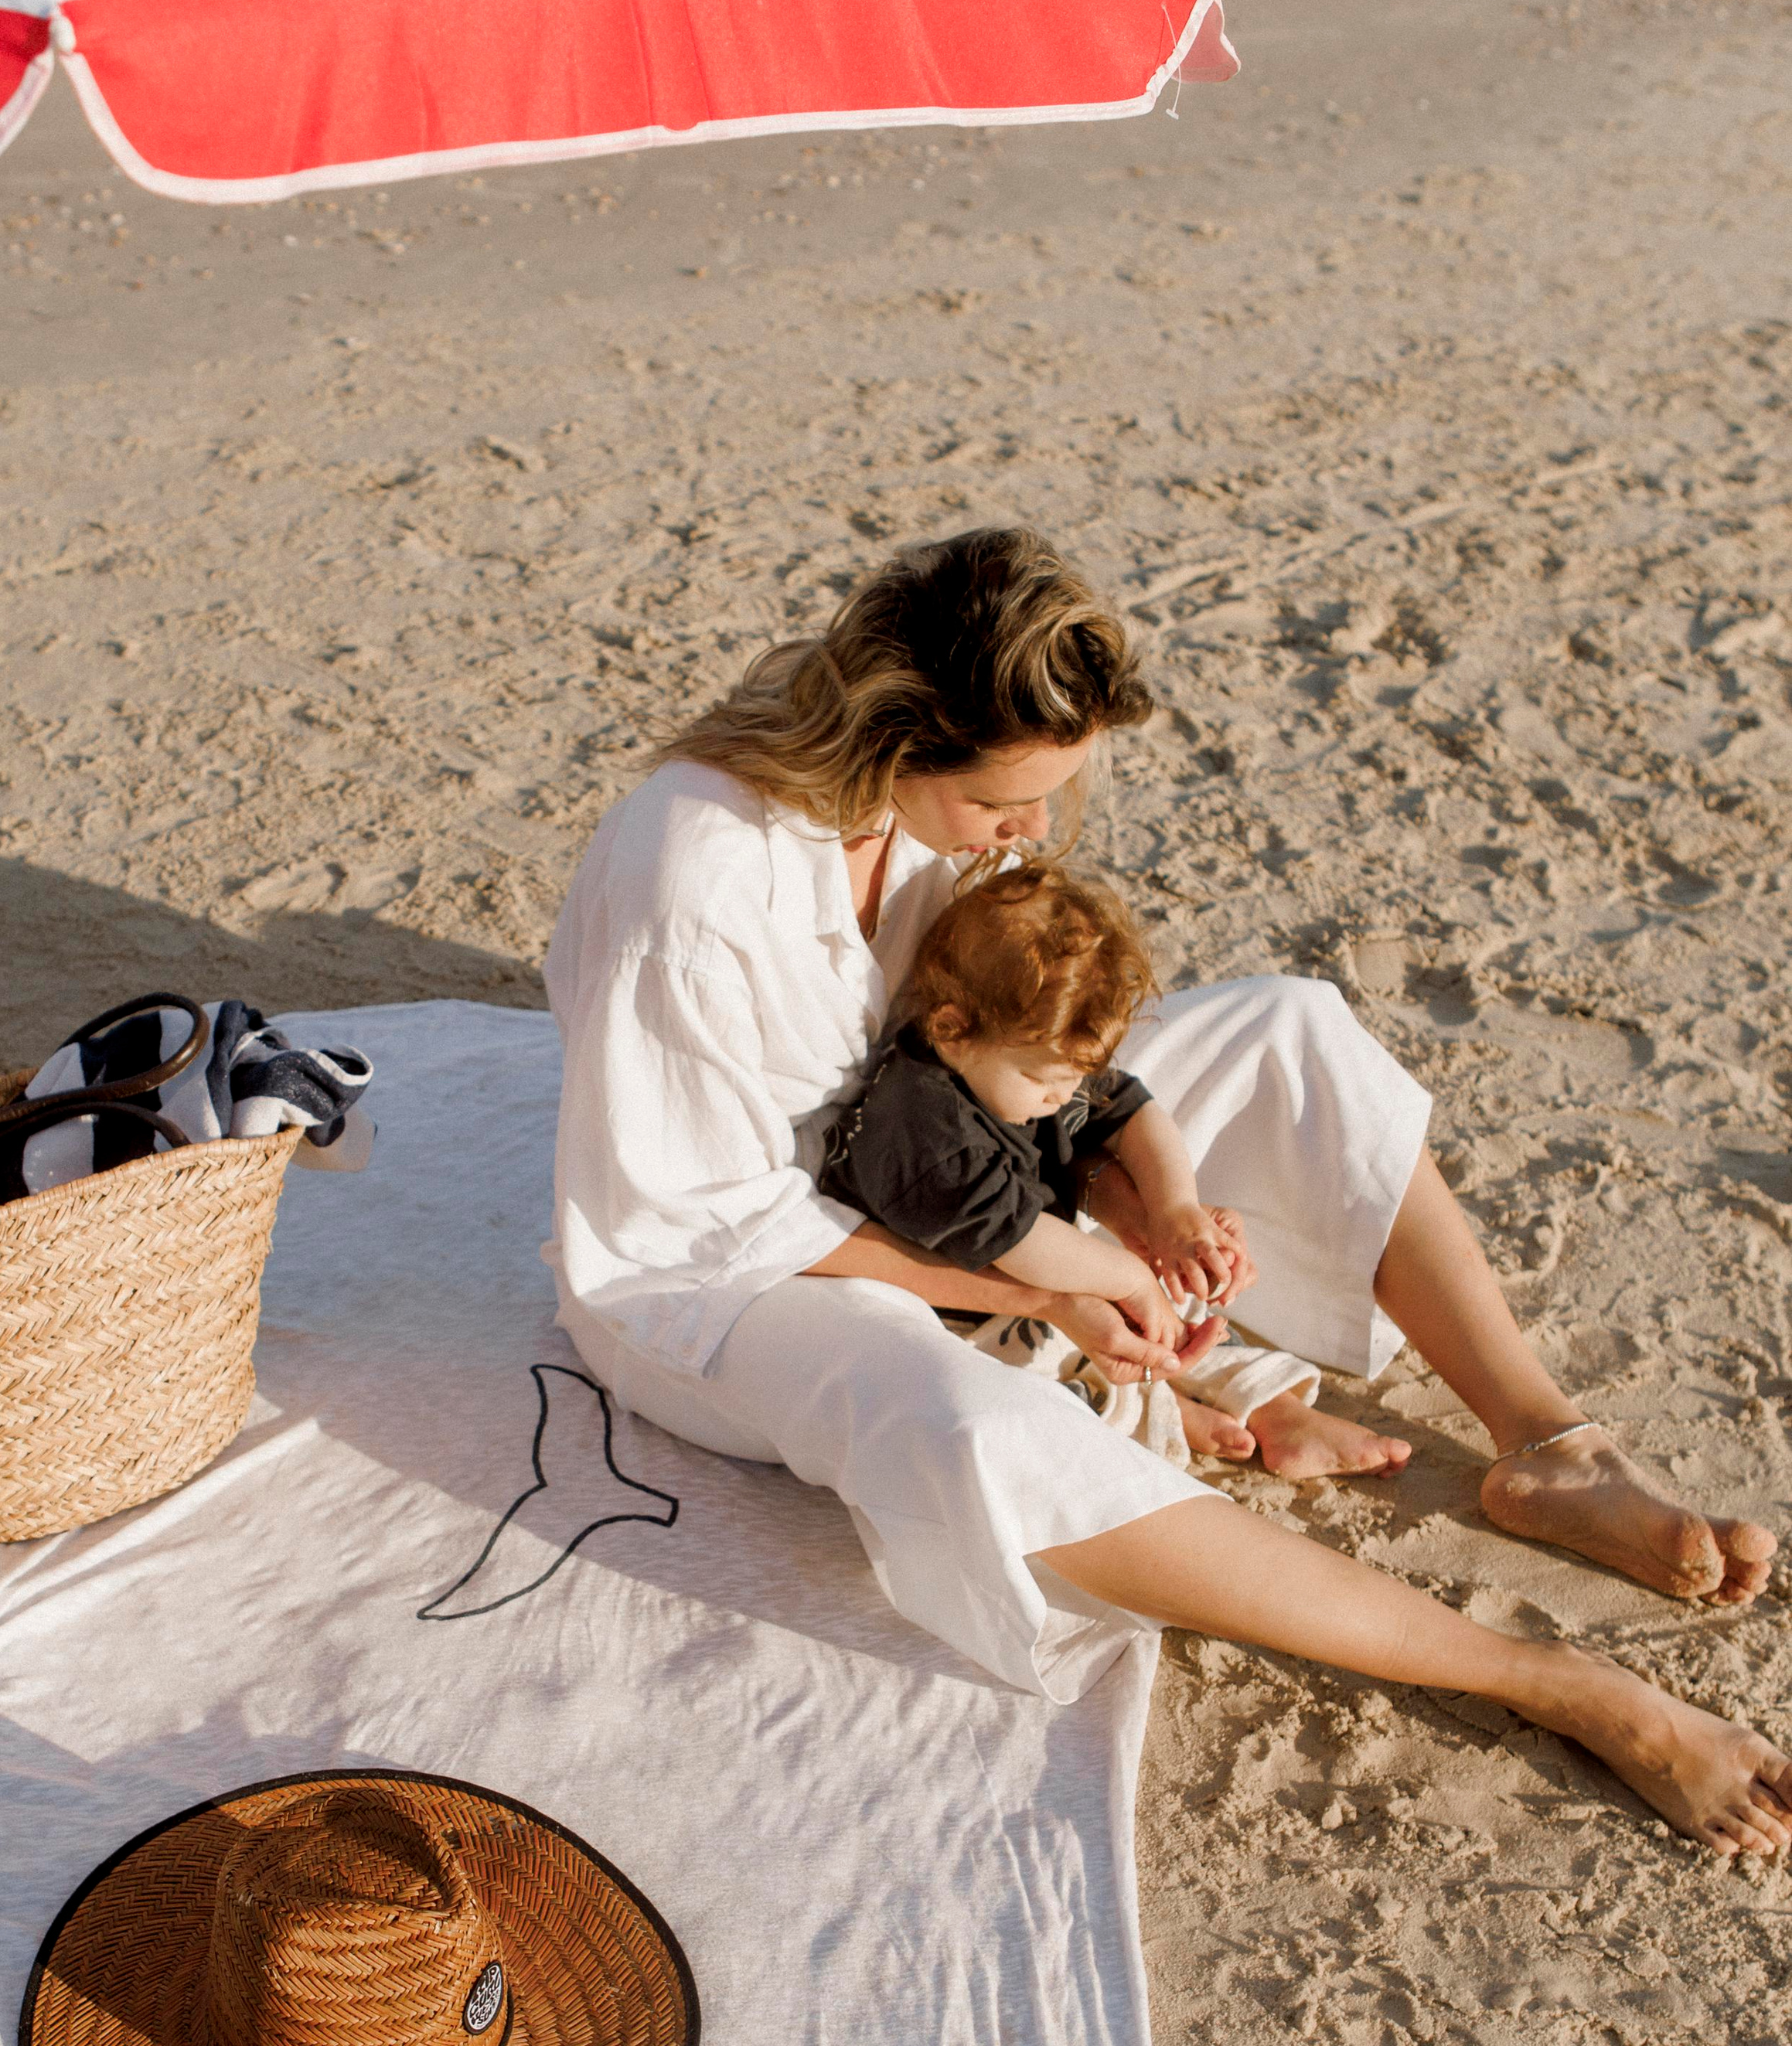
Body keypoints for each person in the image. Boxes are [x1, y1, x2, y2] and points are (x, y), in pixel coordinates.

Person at [544, 526, 1786, 1857]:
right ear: (897, 737)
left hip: (948, 1136)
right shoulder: (695, 874)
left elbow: (1002, 1045)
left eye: (1051, 795)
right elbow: (705, 1218)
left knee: (1292, 1030)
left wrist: (1134, 1194)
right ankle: (1550, 1683)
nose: (1032, 833)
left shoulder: (912, 798)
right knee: (966, 1427)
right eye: (1005, 805)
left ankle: (1549, 1450)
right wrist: (1039, 1283)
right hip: (739, 1269)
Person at [816, 856, 1384, 1474]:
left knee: (1180, 1301)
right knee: (1043, 1370)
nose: (1062, 1098)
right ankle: (1165, 1410)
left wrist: (1175, 1211)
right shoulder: (926, 1132)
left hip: (1043, 1265)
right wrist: (1130, 1281)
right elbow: (1024, 1244)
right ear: (952, 1030)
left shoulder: (1029, 1054)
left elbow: (1133, 1114)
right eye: (1043, 1082)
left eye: (1075, 1079)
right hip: (951, 1303)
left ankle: (1277, 1410)